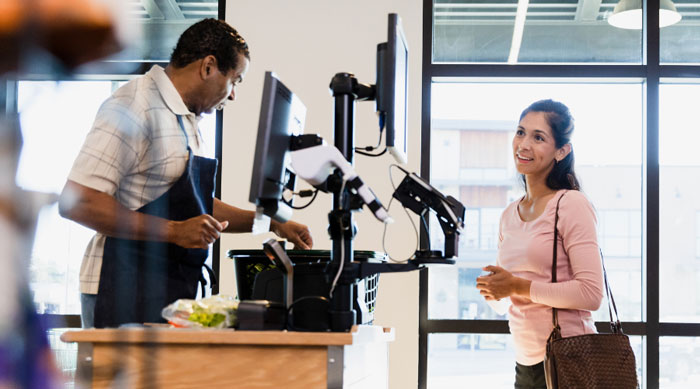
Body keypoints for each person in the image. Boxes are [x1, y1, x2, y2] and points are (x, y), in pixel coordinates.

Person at [58, 18, 313, 329]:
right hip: (121, 288)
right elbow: (78, 202)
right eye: (234, 80)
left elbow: (196, 203)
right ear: (208, 67)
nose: (232, 95)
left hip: (164, 287)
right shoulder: (134, 105)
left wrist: (272, 222)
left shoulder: (187, 120)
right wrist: (175, 232)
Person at [475, 99, 604, 388]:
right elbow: (513, 302)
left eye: (538, 137)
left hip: (571, 359)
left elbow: (591, 293)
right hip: (527, 364)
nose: (524, 144)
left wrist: (516, 286)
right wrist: (495, 292)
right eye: (520, 132)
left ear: (562, 151)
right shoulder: (509, 214)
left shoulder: (571, 204)